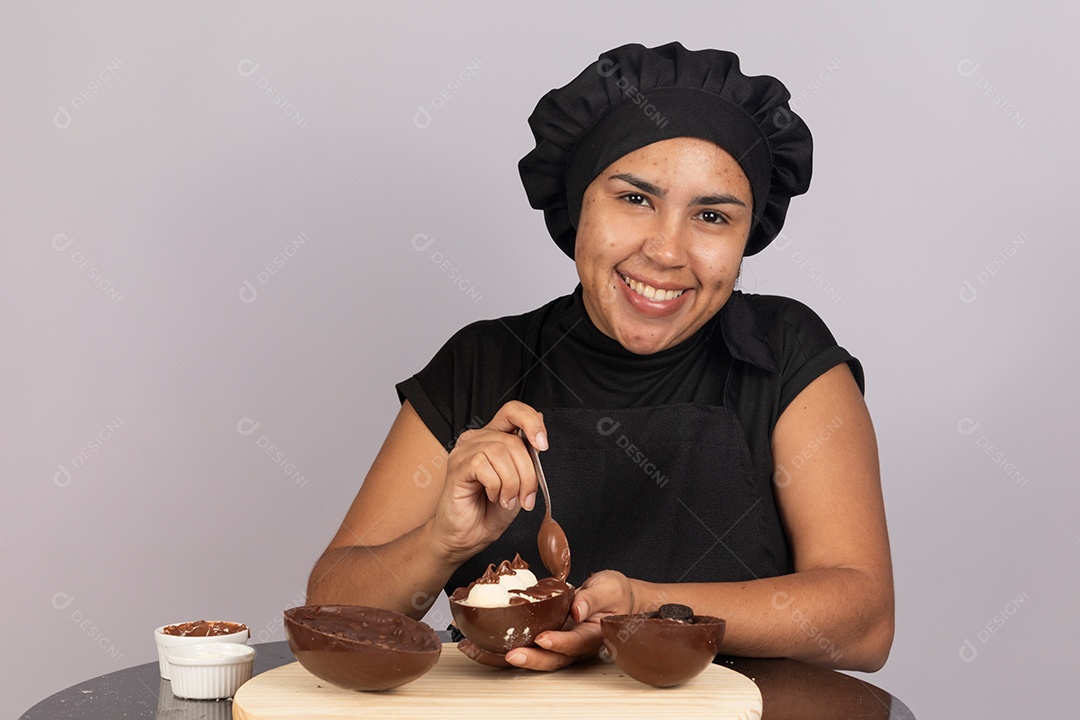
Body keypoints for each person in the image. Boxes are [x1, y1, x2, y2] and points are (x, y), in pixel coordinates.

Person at [307, 42, 894, 673]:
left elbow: (864, 623)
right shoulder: (481, 363)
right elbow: (330, 615)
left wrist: (643, 609)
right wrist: (440, 542)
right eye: (635, 199)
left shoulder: (783, 353)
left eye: (711, 215)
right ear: (579, 204)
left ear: (746, 234)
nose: (667, 252)